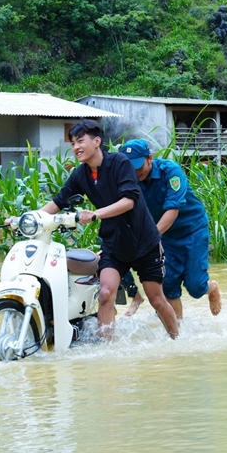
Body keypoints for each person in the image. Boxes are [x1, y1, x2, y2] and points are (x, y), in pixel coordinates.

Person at [39, 120, 179, 340]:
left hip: (144, 242)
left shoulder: (119, 163)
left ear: (97, 141)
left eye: (80, 141)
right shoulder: (81, 174)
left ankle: (177, 342)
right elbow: (57, 202)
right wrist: (29, 218)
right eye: (73, 143)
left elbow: (128, 201)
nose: (76, 147)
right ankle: (107, 350)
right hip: (114, 245)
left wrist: (96, 214)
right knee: (105, 294)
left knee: (157, 299)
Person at [121, 138, 222, 319]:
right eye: (130, 168)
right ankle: (178, 332)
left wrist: (150, 239)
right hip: (164, 235)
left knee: (196, 287)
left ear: (149, 158)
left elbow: (172, 210)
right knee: (168, 286)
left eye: (138, 166)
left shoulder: (171, 172)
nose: (135, 172)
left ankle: (212, 288)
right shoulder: (129, 181)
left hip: (192, 229)